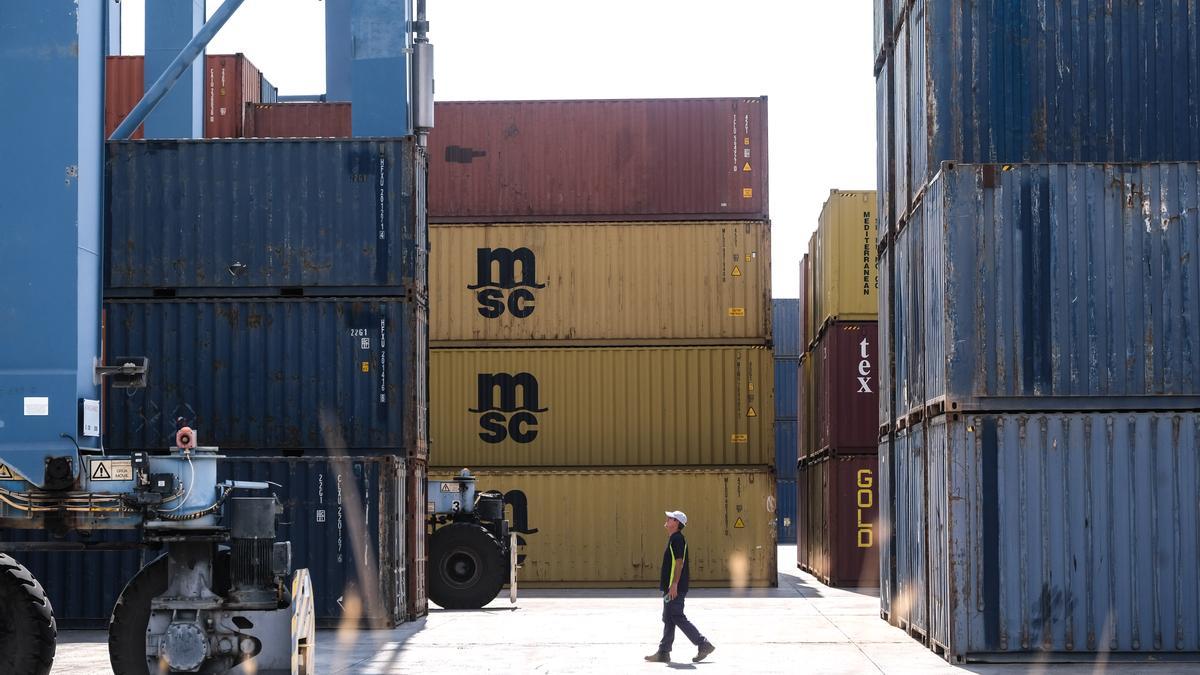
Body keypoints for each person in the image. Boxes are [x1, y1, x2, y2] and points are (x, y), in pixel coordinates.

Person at [645, 510, 715, 663]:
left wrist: (674, 584)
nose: (667, 519)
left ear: (677, 523)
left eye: (670, 518)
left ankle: (703, 643)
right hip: (671, 587)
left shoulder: (677, 539)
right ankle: (664, 652)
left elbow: (679, 562)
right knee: (669, 618)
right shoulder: (674, 539)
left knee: (676, 616)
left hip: (675, 587)